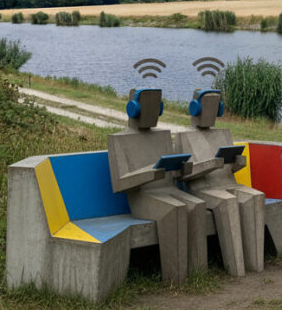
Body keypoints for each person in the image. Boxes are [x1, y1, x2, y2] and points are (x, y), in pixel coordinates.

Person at [106, 88, 220, 282]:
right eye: (149, 108)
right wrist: (151, 173)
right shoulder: (118, 139)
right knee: (176, 209)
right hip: (141, 197)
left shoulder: (162, 136)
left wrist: (181, 168)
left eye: (155, 108)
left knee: (197, 206)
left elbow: (174, 176)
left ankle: (198, 273)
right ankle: (176, 278)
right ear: (133, 109)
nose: (153, 114)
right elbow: (120, 184)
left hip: (167, 190)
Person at [174, 89, 265, 274]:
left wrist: (238, 163)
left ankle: (255, 264)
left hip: (228, 182)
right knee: (228, 202)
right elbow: (182, 175)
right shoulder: (183, 136)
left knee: (255, 197)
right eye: (207, 108)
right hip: (201, 188)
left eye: (214, 108)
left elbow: (230, 169)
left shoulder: (223, 133)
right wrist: (210, 164)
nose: (211, 114)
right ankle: (236, 269)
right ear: (195, 109)